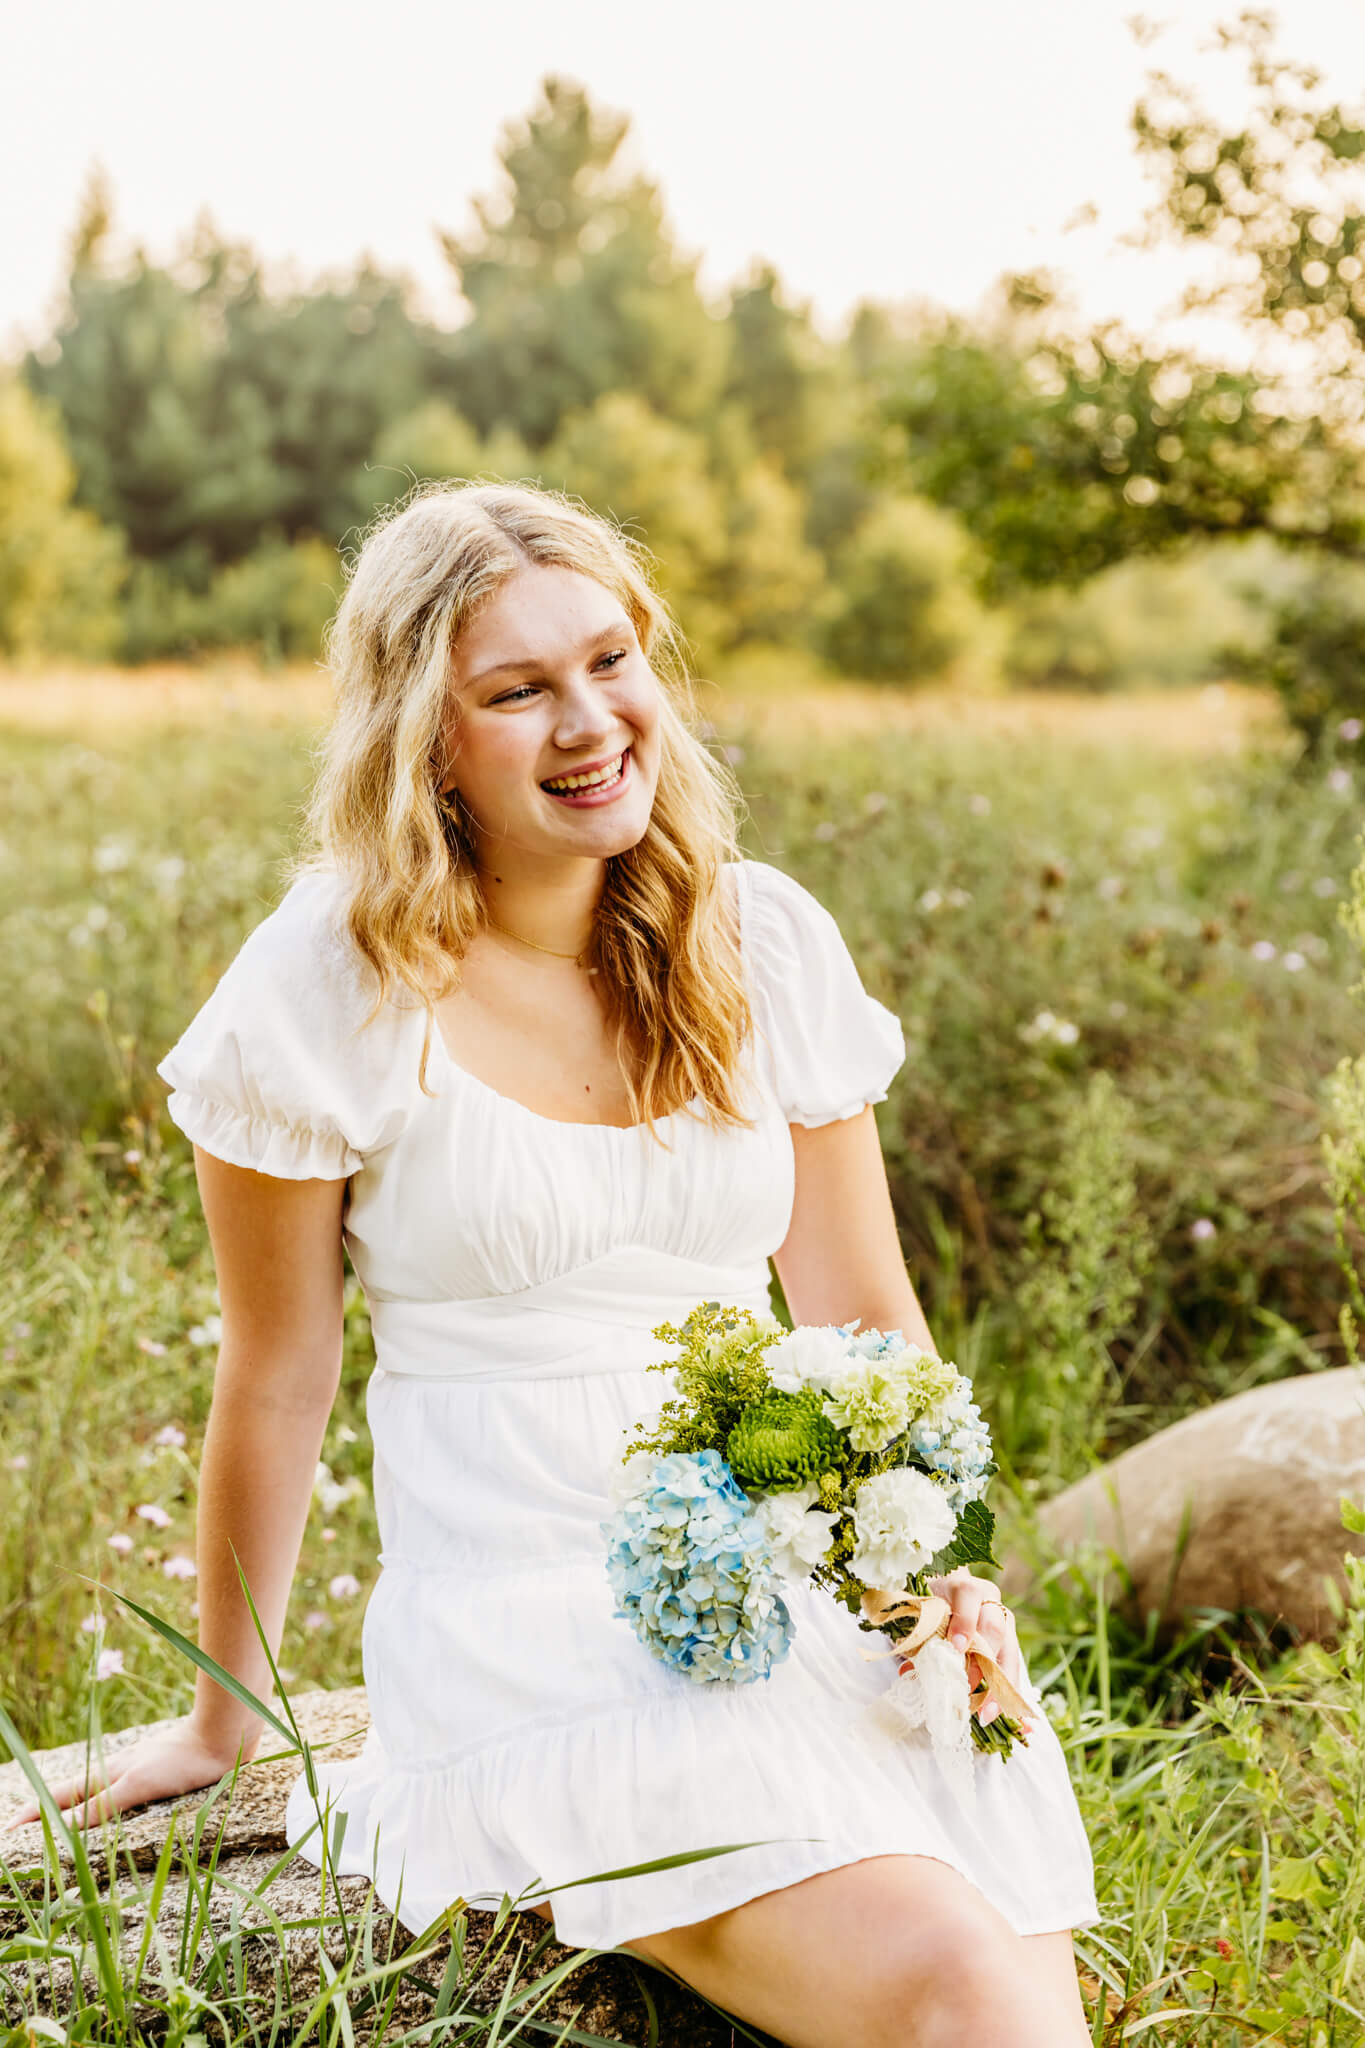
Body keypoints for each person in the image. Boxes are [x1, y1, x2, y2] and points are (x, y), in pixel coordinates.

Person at [6, 482, 1099, 2044]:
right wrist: (225, 1712)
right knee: (951, 1985)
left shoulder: (760, 941)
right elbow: (277, 1376)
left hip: (797, 1591)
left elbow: (863, 1319)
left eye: (609, 663)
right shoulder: (329, 984)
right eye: (516, 691)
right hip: (526, 1615)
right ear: (420, 741)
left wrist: (930, 1580)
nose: (588, 722)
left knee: (1011, 1993)